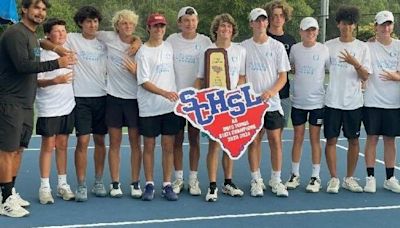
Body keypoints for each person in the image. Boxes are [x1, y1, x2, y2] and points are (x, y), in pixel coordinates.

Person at [0, 0, 75, 217]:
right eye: (36, 8)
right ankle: (5, 200)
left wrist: (55, 48)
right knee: (7, 150)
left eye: (43, 9)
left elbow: (42, 42)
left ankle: (8, 192)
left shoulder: (31, 35)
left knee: (18, 149)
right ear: (24, 9)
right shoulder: (15, 33)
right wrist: (56, 63)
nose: (40, 12)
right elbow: (23, 66)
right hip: (10, 101)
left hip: (25, 102)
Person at [195, 13, 246, 202]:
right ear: (216, 29)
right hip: (213, 104)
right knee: (214, 146)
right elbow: (201, 79)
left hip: (232, 104)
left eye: (229, 27)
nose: (226, 30)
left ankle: (228, 182)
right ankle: (212, 185)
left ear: (233, 31)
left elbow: (242, 76)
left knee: (229, 145)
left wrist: (236, 95)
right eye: (222, 27)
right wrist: (194, 99)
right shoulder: (208, 51)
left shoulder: (240, 51)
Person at [242, 8, 290, 197]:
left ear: (267, 23)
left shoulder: (277, 47)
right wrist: (247, 95)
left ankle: (276, 180)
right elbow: (241, 75)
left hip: (272, 103)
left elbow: (283, 77)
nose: (261, 23)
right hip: (251, 104)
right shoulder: (243, 47)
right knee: (254, 142)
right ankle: (256, 179)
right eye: (257, 20)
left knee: (275, 141)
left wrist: (271, 92)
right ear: (251, 24)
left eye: (264, 20)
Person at [96, 9, 143, 198]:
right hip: (113, 98)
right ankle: (115, 184)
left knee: (135, 143)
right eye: (124, 23)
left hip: (134, 100)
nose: (128, 27)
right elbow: (89, 33)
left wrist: (138, 41)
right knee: (114, 142)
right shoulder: (108, 38)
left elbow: (146, 74)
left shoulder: (140, 47)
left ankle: (135, 183)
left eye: (131, 24)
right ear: (117, 26)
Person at [324, 6, 371, 194]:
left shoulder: (362, 47)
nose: (346, 27)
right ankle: (334, 178)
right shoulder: (328, 46)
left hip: (354, 102)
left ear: (354, 25)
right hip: (332, 101)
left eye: (350, 24)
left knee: (353, 141)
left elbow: (366, 75)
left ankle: (349, 178)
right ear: (338, 24)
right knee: (331, 140)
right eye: (343, 23)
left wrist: (354, 63)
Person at [166, 6, 212, 196]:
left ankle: (193, 179)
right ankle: (178, 178)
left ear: (197, 22)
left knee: (194, 140)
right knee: (177, 141)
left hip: (196, 101)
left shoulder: (205, 41)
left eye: (193, 20)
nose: (189, 24)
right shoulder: (171, 41)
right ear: (179, 23)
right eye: (186, 20)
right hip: (175, 100)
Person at [135, 13, 180, 201]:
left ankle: (167, 184)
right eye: (155, 26)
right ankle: (149, 184)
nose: (159, 29)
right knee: (150, 146)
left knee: (168, 146)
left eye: (162, 26)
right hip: (149, 107)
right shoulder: (143, 52)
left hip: (169, 108)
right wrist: (165, 93)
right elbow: (144, 81)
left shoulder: (169, 46)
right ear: (149, 28)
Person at [284, 17, 329, 193]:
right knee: (298, 138)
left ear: (317, 31)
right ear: (301, 32)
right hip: (298, 102)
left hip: (317, 103)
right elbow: (291, 67)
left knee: (315, 140)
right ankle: (294, 174)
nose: (310, 33)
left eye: (313, 30)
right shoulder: (295, 49)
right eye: (307, 30)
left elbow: (333, 69)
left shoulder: (324, 50)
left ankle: (315, 176)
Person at [36, 18, 75, 204]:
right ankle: (44, 187)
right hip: (48, 107)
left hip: (68, 106)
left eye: (63, 30)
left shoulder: (69, 47)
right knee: (47, 146)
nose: (61, 34)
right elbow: (35, 81)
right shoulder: (40, 52)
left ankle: (62, 184)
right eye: (57, 31)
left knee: (63, 145)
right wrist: (54, 81)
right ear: (48, 34)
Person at [363, 10, 400, 193]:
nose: (386, 27)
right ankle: (370, 178)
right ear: (376, 26)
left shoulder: (399, 46)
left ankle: (390, 178)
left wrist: (396, 76)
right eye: (383, 24)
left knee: (390, 140)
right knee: (371, 138)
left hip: (393, 103)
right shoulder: (367, 47)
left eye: (389, 24)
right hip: (371, 101)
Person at [263, 0, 296, 129]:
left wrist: (294, 68)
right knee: (257, 137)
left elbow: (292, 65)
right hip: (262, 94)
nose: (278, 18)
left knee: (277, 136)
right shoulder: (262, 37)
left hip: (283, 94)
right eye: (274, 15)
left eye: (281, 15)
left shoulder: (290, 40)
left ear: (285, 18)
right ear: (269, 18)